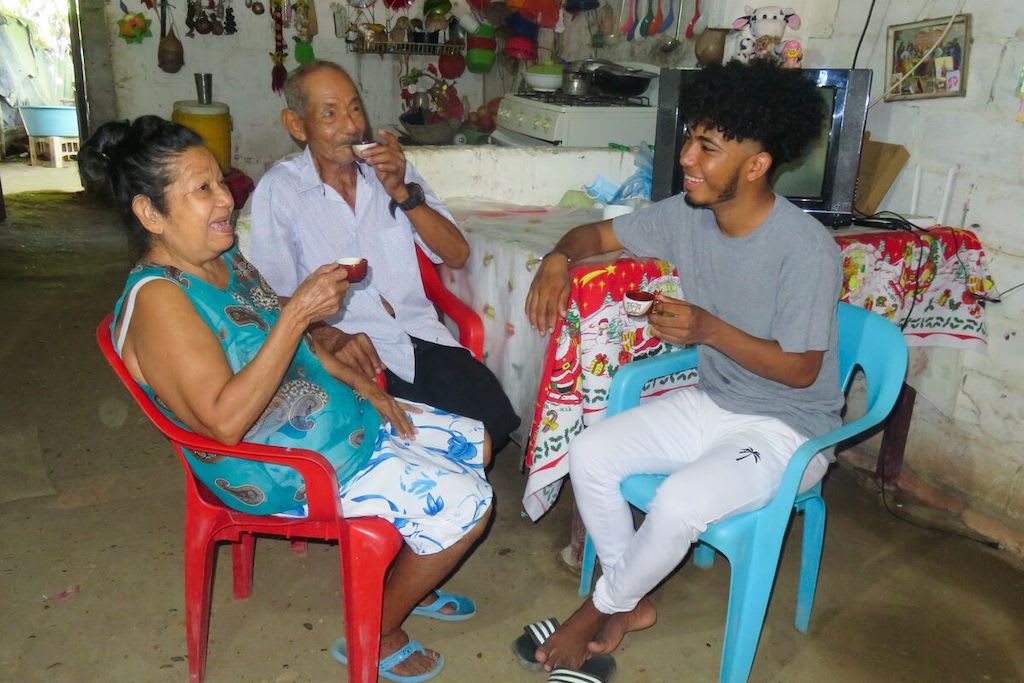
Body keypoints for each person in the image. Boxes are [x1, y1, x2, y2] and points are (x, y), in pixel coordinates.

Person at [83, 115, 492, 682]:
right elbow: (223, 422)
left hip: (318, 424)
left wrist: (362, 384)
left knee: (476, 439)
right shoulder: (161, 302)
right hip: (276, 466)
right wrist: (299, 311)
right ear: (150, 214)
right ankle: (375, 631)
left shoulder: (221, 258)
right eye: (202, 190)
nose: (225, 199)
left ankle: (409, 573)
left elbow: (286, 341)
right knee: (468, 505)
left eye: (220, 181)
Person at [522, 59, 843, 676]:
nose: (687, 159)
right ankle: (631, 602)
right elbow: (595, 235)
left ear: (756, 166)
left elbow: (802, 371)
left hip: (788, 430)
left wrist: (707, 329)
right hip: (714, 400)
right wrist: (558, 259)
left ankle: (598, 609)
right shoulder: (689, 213)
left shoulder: (805, 250)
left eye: (708, 147)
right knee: (590, 452)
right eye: (692, 137)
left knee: (676, 503)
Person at [248, 60, 520, 453]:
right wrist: (325, 332)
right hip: (350, 356)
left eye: (355, 108)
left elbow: (456, 253)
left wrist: (402, 193)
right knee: (417, 451)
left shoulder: (389, 170)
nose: (351, 126)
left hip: (421, 339)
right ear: (296, 124)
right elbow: (272, 297)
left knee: (489, 430)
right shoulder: (280, 191)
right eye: (330, 113)